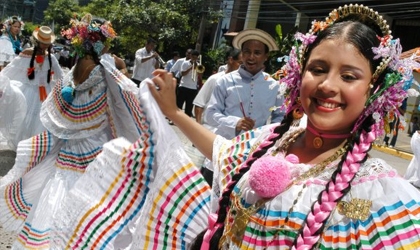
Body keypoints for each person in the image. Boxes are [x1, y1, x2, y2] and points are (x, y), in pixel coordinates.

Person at [34, 4, 420, 250]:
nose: (327, 86)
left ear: (375, 90)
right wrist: (174, 111)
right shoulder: (274, 140)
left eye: (349, 75)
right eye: (318, 69)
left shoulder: (380, 193)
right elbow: (220, 148)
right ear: (299, 74)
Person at [0, 14, 145, 249]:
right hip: (96, 149)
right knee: (93, 205)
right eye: (107, 41)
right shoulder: (106, 70)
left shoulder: (73, 72)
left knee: (60, 196)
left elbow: (58, 107)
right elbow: (132, 99)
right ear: (99, 44)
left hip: (70, 150)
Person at [205, 29, 285, 140]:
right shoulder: (225, 81)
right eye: (247, 52)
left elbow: (279, 117)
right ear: (242, 54)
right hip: (224, 146)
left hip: (255, 149)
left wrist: (267, 135)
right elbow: (209, 115)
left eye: (257, 53)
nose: (251, 57)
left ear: (266, 56)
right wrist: (234, 123)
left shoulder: (274, 86)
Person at [0, 26, 64, 147]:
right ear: (37, 41)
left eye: (47, 43)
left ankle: (33, 146)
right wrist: (2, 82)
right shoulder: (27, 53)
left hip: (45, 93)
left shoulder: (51, 58)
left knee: (40, 120)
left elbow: (61, 76)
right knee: (23, 116)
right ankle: (20, 143)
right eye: (43, 42)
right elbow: (10, 70)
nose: (44, 45)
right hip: (28, 91)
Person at [193, 47, 242, 125]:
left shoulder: (243, 84)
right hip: (210, 129)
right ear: (231, 60)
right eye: (240, 63)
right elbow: (199, 104)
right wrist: (198, 126)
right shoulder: (215, 79)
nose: (242, 67)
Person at [177, 49, 201, 117]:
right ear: (191, 56)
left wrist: (198, 69)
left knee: (189, 106)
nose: (194, 58)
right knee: (179, 104)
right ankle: (174, 120)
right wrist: (190, 68)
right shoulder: (185, 63)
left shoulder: (199, 65)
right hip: (183, 86)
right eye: (193, 57)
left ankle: (186, 121)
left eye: (196, 57)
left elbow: (200, 76)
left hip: (193, 88)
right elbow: (182, 74)